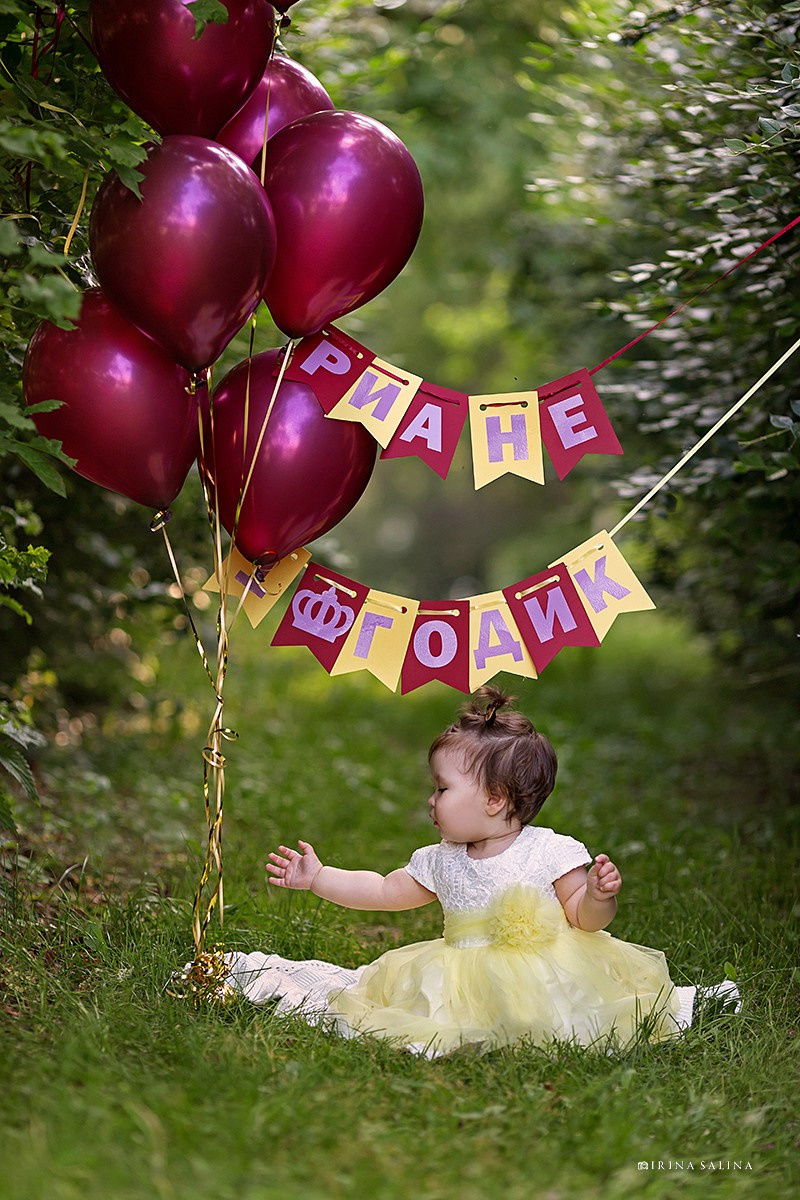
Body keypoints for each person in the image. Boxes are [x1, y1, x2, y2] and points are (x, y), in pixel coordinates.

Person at [224, 686, 733, 1055]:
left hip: (547, 969)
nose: (431, 800)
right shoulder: (441, 859)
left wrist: (600, 895)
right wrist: (320, 878)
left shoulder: (549, 850)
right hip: (460, 971)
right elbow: (382, 890)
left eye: (442, 789)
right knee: (442, 1018)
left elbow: (584, 918)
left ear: (493, 800)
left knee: (561, 1017)